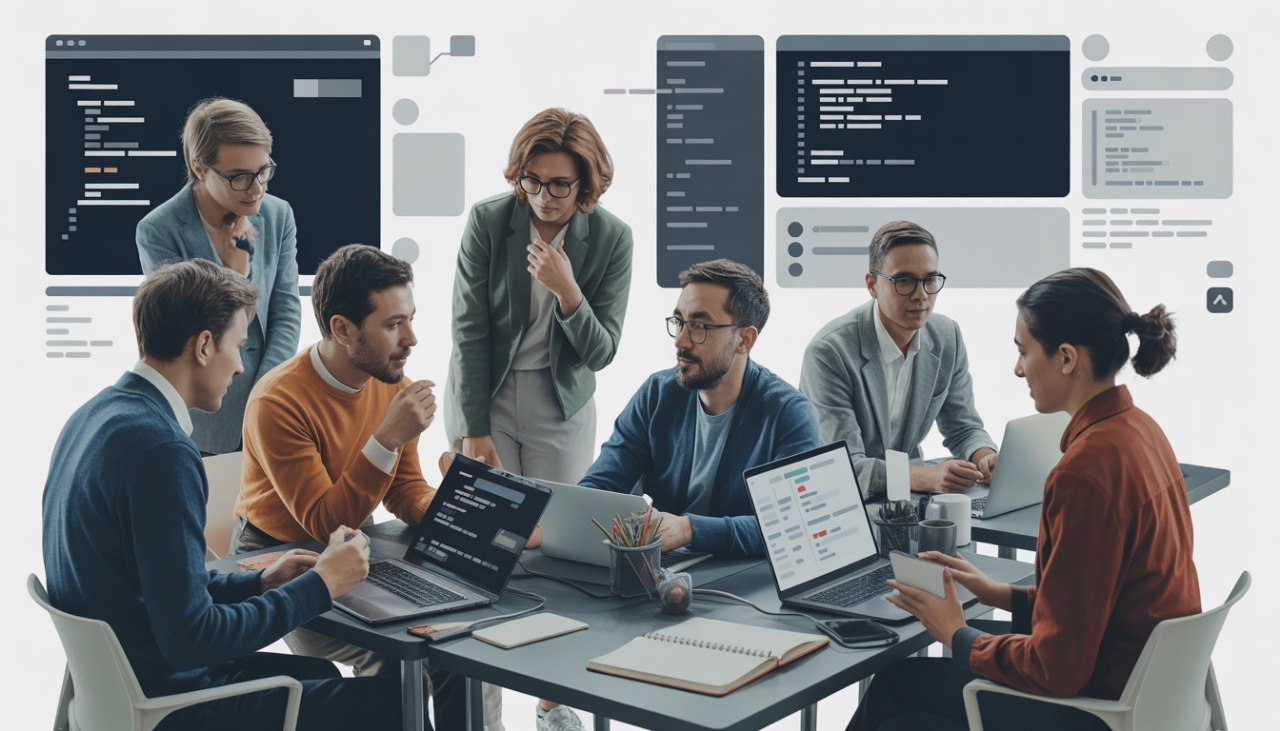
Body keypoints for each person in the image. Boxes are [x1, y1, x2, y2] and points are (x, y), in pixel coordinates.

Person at [41, 259, 416, 730]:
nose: (241, 366)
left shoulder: (93, 416)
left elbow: (162, 586)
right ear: (202, 346)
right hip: (169, 703)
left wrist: (258, 582)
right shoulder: (162, 452)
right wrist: (319, 587)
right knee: (395, 703)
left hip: (120, 690)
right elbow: (192, 637)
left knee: (316, 674)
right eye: (239, 346)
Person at [847, 267, 1199, 731]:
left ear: (1067, 358)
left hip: (1095, 708)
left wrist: (956, 634)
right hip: (1148, 694)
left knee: (894, 695)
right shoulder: (1142, 430)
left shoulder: (1084, 473)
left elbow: (1057, 667)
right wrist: (1001, 594)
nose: (1018, 369)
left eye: (1024, 351)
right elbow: (1098, 598)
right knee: (900, 690)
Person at [230, 244, 464, 727]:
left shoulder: (391, 382)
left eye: (411, 319)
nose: (412, 338)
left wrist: (457, 511)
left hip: (357, 547)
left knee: (453, 650)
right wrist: (386, 436)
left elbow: (404, 490)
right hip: (286, 559)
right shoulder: (278, 401)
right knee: (396, 664)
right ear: (342, 328)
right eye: (394, 324)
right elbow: (322, 519)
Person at [581, 259, 822, 557]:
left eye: (699, 326)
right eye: (679, 322)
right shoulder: (657, 394)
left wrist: (688, 530)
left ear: (744, 340)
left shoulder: (789, 414)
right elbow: (600, 484)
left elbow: (793, 526)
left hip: (743, 579)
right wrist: (554, 520)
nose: (681, 341)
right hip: (665, 573)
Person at [446, 107, 633, 484]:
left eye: (560, 184)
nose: (544, 197)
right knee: (488, 521)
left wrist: (568, 292)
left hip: (560, 398)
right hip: (489, 389)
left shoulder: (613, 237)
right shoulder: (488, 221)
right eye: (533, 181)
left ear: (585, 182)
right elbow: (469, 331)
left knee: (551, 527)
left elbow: (601, 352)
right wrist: (474, 428)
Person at [136, 97, 301, 455]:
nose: (256, 188)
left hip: (273, 404)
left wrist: (267, 393)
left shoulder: (278, 215)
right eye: (239, 177)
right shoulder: (159, 230)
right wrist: (234, 275)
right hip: (207, 418)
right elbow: (188, 337)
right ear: (199, 168)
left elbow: (287, 309)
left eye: (263, 171)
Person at [799, 220, 997, 496]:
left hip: (910, 501)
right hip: (846, 504)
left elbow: (964, 427)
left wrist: (984, 457)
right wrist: (926, 477)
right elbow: (842, 467)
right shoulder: (829, 352)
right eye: (904, 280)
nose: (921, 295)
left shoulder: (946, 336)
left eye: (930, 280)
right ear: (872, 285)